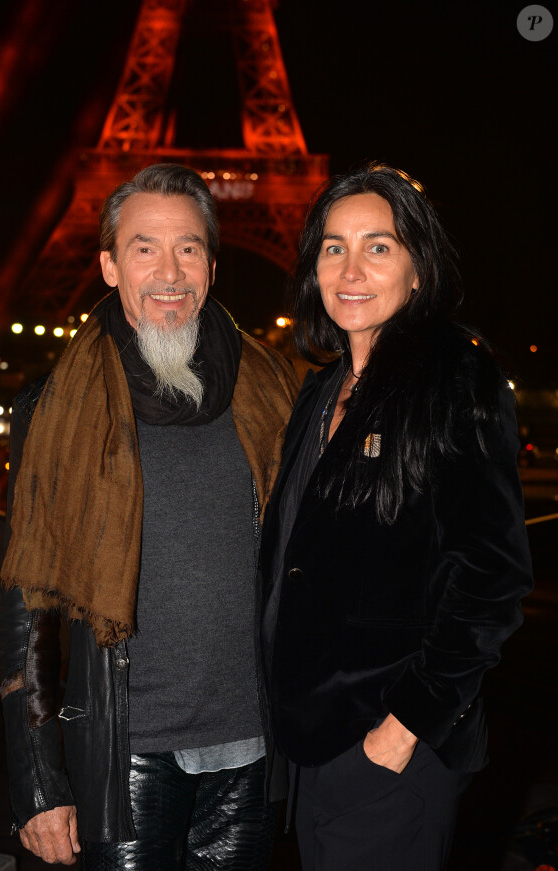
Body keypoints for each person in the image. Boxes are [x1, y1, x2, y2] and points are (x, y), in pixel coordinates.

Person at [0, 163, 299, 869]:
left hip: (251, 750)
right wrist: (40, 782)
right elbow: (27, 604)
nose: (169, 271)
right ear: (108, 264)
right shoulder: (56, 405)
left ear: (212, 264)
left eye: (188, 248)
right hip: (122, 756)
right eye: (144, 248)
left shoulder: (272, 388)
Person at [260, 162, 533, 871]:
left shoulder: (451, 377)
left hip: (389, 741)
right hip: (316, 738)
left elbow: (493, 576)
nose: (351, 268)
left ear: (418, 268)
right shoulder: (320, 393)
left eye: (378, 246)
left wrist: (406, 724)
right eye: (333, 247)